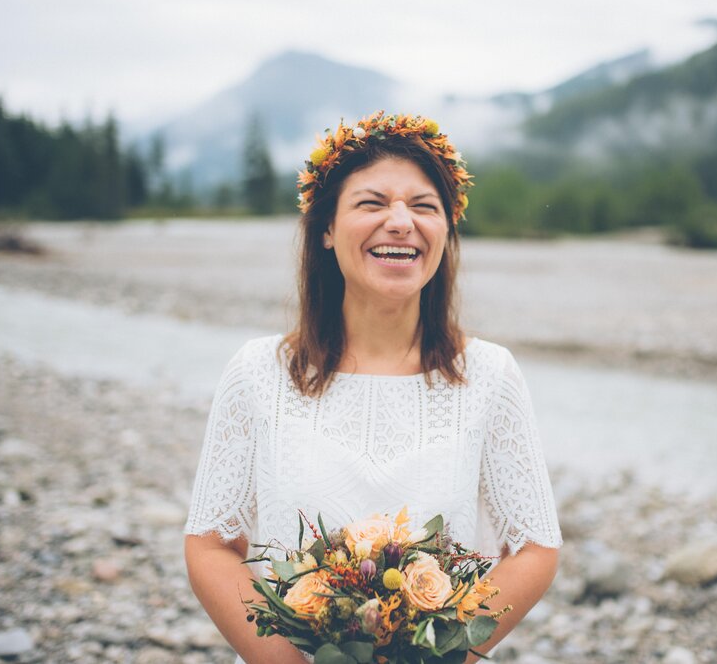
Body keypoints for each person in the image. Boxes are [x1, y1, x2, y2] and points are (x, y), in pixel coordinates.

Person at [183, 112, 561, 664]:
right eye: (372, 202)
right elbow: (212, 543)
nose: (401, 222)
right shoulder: (258, 372)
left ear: (446, 232)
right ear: (327, 230)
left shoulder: (489, 375)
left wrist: (445, 655)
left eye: (424, 206)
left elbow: (534, 548)